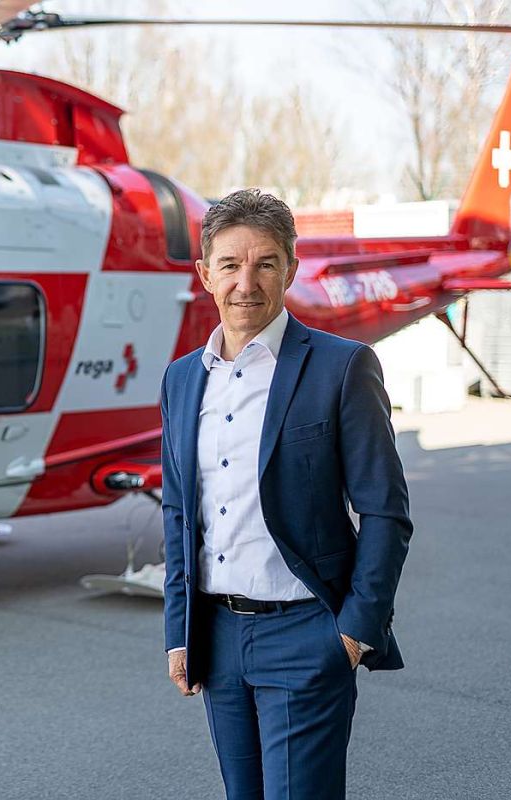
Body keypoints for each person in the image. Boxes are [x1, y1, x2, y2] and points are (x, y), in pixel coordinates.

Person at [159, 189, 412, 799]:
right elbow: (178, 510)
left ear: (291, 270)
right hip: (216, 637)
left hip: (307, 633)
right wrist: (179, 630)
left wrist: (354, 630)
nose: (246, 283)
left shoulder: (341, 367)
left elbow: (385, 511)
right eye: (229, 264)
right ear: (205, 275)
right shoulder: (182, 379)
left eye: (265, 264)